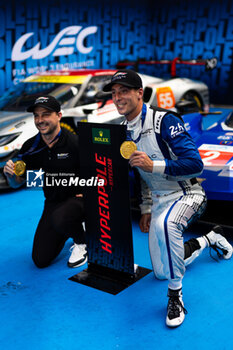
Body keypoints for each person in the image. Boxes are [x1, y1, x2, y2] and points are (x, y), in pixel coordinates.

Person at [103, 70, 233, 328]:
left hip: (189, 193)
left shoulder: (165, 120)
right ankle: (210, 238)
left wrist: (156, 166)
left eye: (124, 91)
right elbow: (139, 174)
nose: (118, 98)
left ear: (140, 93)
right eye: (114, 93)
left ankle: (176, 296)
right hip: (160, 199)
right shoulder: (122, 130)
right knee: (162, 272)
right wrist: (146, 207)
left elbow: (196, 165)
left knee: (167, 227)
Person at [3, 95, 87, 269]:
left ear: (59, 116)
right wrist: (12, 176)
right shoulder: (30, 147)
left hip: (80, 200)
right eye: (36, 115)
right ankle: (68, 227)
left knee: (62, 217)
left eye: (46, 114)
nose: (40, 120)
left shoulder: (75, 143)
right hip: (53, 203)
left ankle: (83, 241)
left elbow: (96, 177)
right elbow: (20, 183)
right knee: (40, 259)